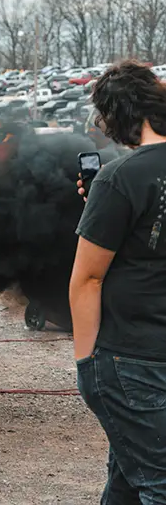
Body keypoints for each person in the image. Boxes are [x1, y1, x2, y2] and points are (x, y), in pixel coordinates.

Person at [71, 60, 166, 502]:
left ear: (119, 113)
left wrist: (86, 365)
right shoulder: (119, 180)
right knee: (128, 480)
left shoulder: (120, 177)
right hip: (145, 359)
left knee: (154, 482)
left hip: (132, 359)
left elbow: (87, 279)